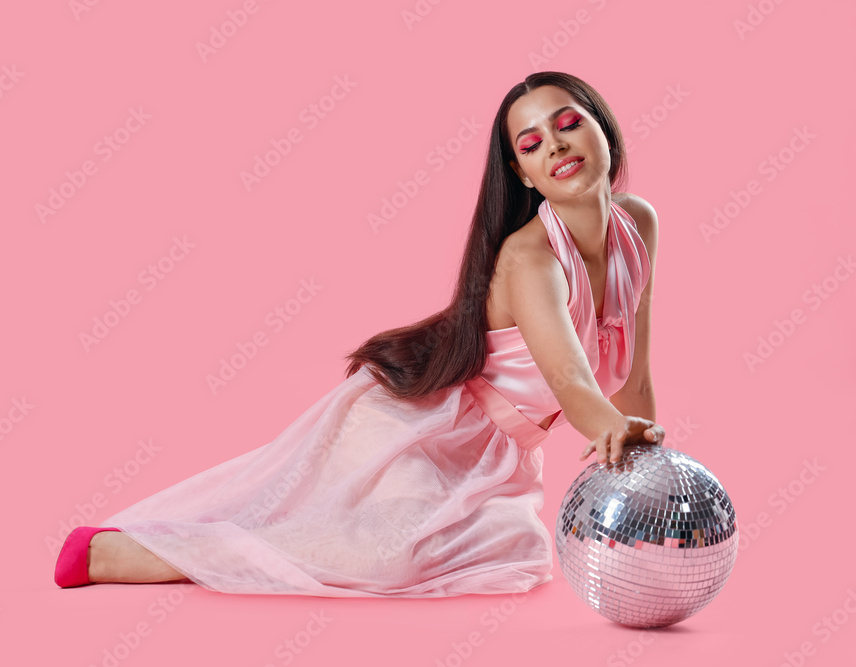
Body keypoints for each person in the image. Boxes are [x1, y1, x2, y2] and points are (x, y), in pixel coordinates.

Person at [53, 71, 666, 597]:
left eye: (569, 124)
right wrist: (610, 430)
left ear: (602, 128)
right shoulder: (530, 259)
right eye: (533, 143)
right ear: (523, 172)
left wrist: (657, 466)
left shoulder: (638, 223)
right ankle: (129, 555)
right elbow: (569, 378)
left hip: (498, 455)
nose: (556, 146)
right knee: (387, 556)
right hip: (421, 426)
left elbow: (632, 372)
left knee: (512, 550)